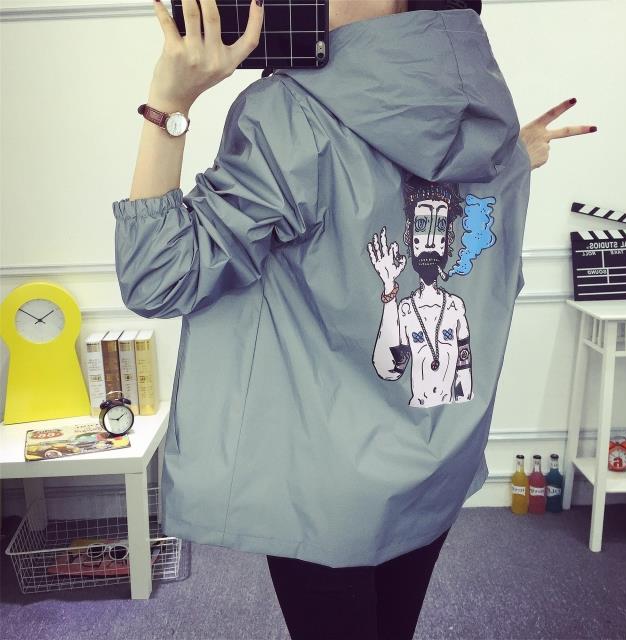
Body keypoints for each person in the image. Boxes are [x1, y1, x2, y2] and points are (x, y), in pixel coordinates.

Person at [112, 1, 597, 638]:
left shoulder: (289, 113)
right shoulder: (481, 114)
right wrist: (511, 158)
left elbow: (158, 276)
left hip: (324, 483)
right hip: (436, 462)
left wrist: (168, 105)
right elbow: (444, 208)